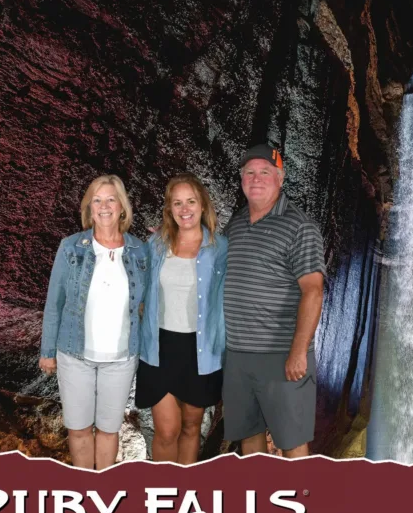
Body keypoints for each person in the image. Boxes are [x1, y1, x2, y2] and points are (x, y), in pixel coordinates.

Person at [39, 175, 149, 470]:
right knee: (78, 429)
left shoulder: (140, 251)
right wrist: (47, 351)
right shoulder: (71, 247)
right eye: (97, 200)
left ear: (122, 207)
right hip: (75, 354)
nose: (104, 206)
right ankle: (84, 489)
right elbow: (55, 302)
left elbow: (148, 305)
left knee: (109, 429)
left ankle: (103, 489)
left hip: (122, 358)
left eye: (111, 199)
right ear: (89, 207)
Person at [223, 144, 325, 458]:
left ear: (280, 179)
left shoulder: (299, 226)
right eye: (249, 173)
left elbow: (313, 290)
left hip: (280, 355)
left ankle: (303, 506)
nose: (256, 179)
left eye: (265, 172)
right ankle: (260, 500)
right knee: (249, 439)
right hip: (239, 354)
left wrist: (298, 350)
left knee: (291, 440)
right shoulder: (236, 223)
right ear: (241, 180)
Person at [136, 173, 227, 464]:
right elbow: (137, 287)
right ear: (169, 208)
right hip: (159, 347)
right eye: (177, 203)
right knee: (167, 429)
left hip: (201, 349)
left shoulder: (220, 248)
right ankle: (162, 494)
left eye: (191, 201)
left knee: (190, 427)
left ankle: (184, 492)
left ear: (202, 205)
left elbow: (231, 297)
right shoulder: (155, 244)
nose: (184, 209)